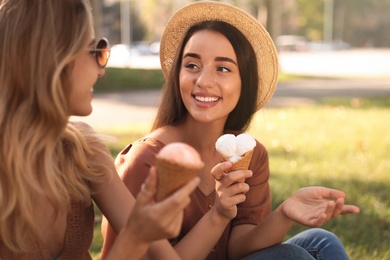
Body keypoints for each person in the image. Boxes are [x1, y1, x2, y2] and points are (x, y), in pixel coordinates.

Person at [101, 1, 360, 260]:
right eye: (192, 65)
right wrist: (219, 214)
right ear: (178, 74)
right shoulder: (144, 162)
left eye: (223, 68)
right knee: (293, 255)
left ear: (244, 82)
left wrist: (284, 214)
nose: (203, 81)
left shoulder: (251, 154)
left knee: (323, 242)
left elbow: (239, 248)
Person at [0, 0, 200, 259]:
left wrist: (218, 213)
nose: (101, 69)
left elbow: (162, 257)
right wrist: (135, 238)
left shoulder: (82, 149)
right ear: (52, 59)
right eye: (97, 50)